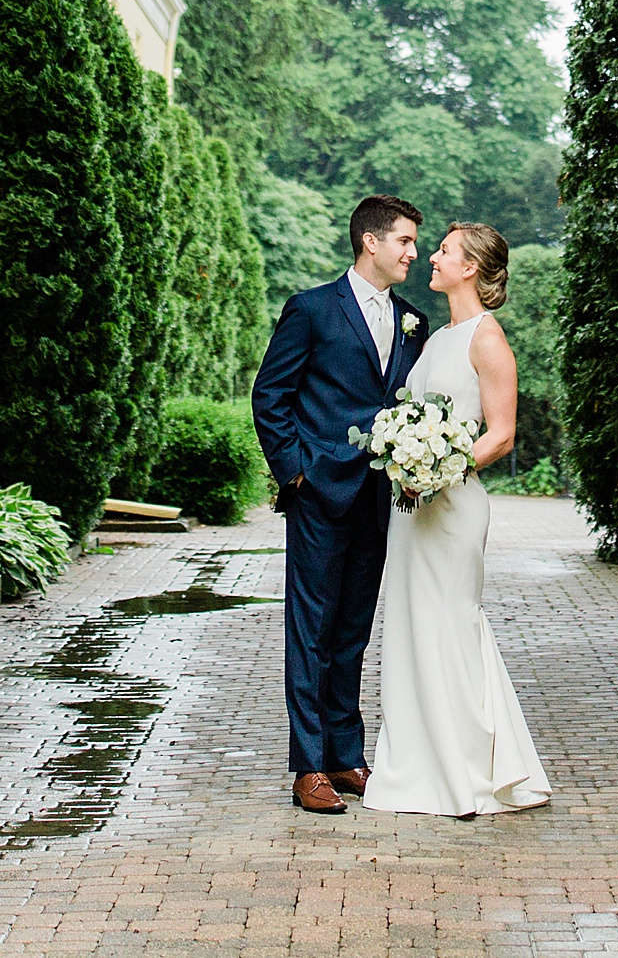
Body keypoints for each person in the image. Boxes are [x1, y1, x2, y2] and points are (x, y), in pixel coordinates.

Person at [363, 222, 551, 817]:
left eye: (443, 251)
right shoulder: (436, 337)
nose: (431, 258)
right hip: (413, 510)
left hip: (453, 505)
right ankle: (419, 765)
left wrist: (436, 467)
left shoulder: (486, 339)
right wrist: (402, 456)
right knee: (414, 628)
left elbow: (500, 434)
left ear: (470, 267)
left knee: (452, 626)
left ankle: (470, 771)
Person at [251, 194, 428, 814]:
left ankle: (346, 756)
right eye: (404, 241)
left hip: (379, 498)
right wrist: (295, 473)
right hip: (320, 494)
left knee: (352, 629)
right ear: (370, 242)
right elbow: (270, 396)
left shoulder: (412, 320)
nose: (414, 252)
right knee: (310, 631)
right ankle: (308, 768)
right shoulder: (312, 310)